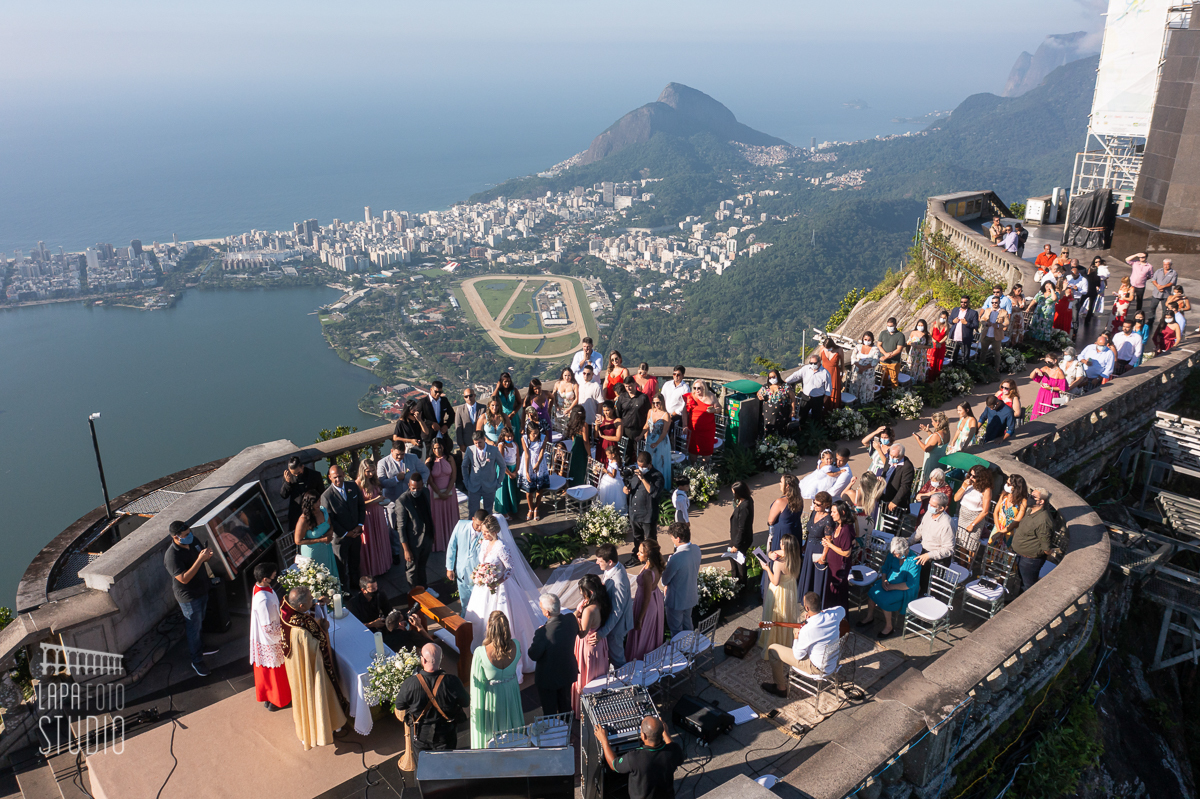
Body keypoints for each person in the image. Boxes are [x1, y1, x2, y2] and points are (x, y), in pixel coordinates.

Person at [463, 515, 544, 681]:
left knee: (507, 619)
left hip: (501, 589)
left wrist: (496, 580)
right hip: (483, 588)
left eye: (485, 532)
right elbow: (483, 563)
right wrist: (481, 574)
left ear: (494, 532)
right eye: (483, 532)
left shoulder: (501, 546)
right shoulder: (484, 542)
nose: (482, 534)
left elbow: (510, 568)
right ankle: (481, 650)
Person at [280, 586, 348, 749]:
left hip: (295, 666)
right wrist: (324, 629)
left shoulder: (286, 609)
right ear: (302, 606)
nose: (314, 600)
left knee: (301, 695)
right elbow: (320, 645)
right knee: (317, 693)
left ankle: (307, 729)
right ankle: (327, 727)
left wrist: (319, 606)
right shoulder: (304, 628)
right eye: (311, 599)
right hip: (311, 668)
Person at [761, 591, 847, 698]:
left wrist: (797, 637)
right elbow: (842, 609)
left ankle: (780, 688)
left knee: (773, 649)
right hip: (832, 662)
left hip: (816, 668)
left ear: (807, 608)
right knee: (800, 631)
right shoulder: (834, 615)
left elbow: (798, 655)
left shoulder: (807, 630)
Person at [394, 643, 470, 753]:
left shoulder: (410, 683)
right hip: (446, 735)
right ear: (441, 658)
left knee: (422, 766)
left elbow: (399, 705)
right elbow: (466, 702)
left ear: (423, 660)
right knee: (446, 764)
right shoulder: (452, 681)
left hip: (421, 734)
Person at [469, 611, 523, 749]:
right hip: (510, 694)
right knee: (512, 731)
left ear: (489, 628)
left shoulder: (480, 653)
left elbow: (477, 688)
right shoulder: (516, 645)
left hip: (491, 699)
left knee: (492, 733)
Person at [595, 716, 684, 799]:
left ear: (643, 736)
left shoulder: (634, 758)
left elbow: (613, 764)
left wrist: (604, 740)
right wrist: (666, 733)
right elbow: (672, 747)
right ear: (662, 732)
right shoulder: (673, 751)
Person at [348, 576, 433, 652]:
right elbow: (355, 627)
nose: (376, 590)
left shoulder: (380, 595)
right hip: (366, 631)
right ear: (363, 590)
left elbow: (389, 612)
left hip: (382, 626)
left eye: (376, 587)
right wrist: (372, 624)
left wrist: (398, 618)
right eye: (373, 589)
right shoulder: (354, 604)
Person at [529, 593, 579, 717]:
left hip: (548, 678)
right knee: (565, 706)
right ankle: (568, 730)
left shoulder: (542, 633)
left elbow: (533, 655)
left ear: (547, 612)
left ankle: (554, 733)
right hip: (567, 671)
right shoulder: (571, 620)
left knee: (550, 711)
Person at [858, 537, 920, 637]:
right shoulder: (893, 554)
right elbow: (885, 568)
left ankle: (889, 626)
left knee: (885, 600)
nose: (894, 555)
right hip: (889, 582)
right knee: (872, 592)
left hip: (903, 589)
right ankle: (869, 617)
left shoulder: (913, 562)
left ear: (904, 550)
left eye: (896, 554)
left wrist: (892, 587)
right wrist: (883, 580)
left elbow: (910, 584)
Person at [249, 562, 290, 711]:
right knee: (275, 675)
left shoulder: (258, 587)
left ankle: (269, 699)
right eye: (272, 576)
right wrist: (285, 634)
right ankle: (278, 701)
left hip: (264, 638)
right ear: (265, 579)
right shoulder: (264, 600)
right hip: (270, 641)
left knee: (267, 673)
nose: (275, 577)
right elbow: (269, 628)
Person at [321, 463, 365, 592]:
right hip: (341, 538)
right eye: (335, 477)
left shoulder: (352, 486)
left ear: (344, 475)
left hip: (356, 534)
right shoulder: (326, 496)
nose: (338, 480)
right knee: (341, 565)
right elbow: (330, 520)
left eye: (340, 476)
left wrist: (359, 525)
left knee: (355, 562)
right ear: (330, 477)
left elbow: (361, 507)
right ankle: (344, 590)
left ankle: (355, 585)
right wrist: (346, 533)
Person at [573, 573, 611, 715]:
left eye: (582, 590)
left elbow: (582, 633)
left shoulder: (589, 610)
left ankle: (583, 711)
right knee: (597, 675)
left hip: (587, 645)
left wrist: (575, 617)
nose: (580, 593)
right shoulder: (602, 601)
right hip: (599, 645)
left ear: (589, 592)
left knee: (586, 676)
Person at [592, 544, 634, 668]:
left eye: (600, 561)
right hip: (614, 622)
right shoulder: (615, 567)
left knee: (617, 658)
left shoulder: (618, 582)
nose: (596, 563)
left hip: (618, 626)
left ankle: (625, 683)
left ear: (610, 562)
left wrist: (602, 633)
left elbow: (617, 611)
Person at [760, 535, 801, 659]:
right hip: (790, 589)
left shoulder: (779, 563)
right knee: (787, 617)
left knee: (775, 616)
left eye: (782, 543)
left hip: (779, 592)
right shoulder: (796, 557)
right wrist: (771, 553)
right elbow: (777, 552)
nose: (780, 545)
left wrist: (767, 568)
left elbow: (775, 581)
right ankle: (786, 641)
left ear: (785, 546)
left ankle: (772, 643)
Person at [626, 539, 667, 662]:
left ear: (648, 554)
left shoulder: (648, 573)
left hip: (648, 605)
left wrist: (639, 618)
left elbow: (646, 598)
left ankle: (639, 661)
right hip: (657, 600)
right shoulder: (655, 566)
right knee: (652, 632)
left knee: (644, 633)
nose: (637, 554)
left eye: (640, 552)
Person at [764, 474, 804, 596]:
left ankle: (774, 584)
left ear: (787, 486)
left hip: (782, 534)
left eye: (781, 482)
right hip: (795, 532)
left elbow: (770, 521)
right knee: (791, 558)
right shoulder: (799, 500)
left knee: (777, 557)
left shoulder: (780, 502)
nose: (779, 484)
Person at [1010, 487, 1055, 596]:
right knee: (1020, 581)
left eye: (1033, 497)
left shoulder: (1043, 520)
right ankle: (1017, 602)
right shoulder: (1031, 510)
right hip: (1020, 555)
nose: (1029, 498)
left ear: (1041, 501)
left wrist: (1049, 552)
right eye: (1030, 494)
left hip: (1030, 560)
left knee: (1028, 585)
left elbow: (1046, 546)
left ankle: (1024, 607)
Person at [395, 473, 435, 590]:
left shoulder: (426, 492)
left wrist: (432, 534)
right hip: (413, 541)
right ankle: (414, 593)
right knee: (412, 569)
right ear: (409, 485)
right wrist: (406, 549)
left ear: (422, 485)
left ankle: (424, 587)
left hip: (427, 537)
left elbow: (428, 513)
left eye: (418, 488)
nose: (416, 491)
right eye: (413, 488)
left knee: (422, 565)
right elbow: (400, 527)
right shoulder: (402, 501)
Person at [354, 459, 392, 578]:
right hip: (367, 516)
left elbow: (377, 495)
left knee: (380, 537)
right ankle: (372, 569)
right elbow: (358, 504)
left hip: (378, 513)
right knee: (370, 540)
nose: (370, 474)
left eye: (372, 471)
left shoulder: (374, 480)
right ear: (362, 471)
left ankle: (383, 565)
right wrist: (376, 500)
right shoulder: (358, 483)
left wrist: (382, 498)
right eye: (368, 471)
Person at [624, 451, 664, 565]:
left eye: (643, 467)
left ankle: (654, 560)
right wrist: (625, 489)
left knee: (650, 540)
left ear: (650, 463)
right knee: (637, 538)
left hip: (648, 515)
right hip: (634, 513)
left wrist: (643, 478)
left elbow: (654, 493)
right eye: (639, 466)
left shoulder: (657, 476)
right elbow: (628, 485)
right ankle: (637, 557)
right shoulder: (634, 473)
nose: (640, 469)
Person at [909, 493, 954, 592]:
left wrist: (929, 555)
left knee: (932, 590)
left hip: (938, 559)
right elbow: (920, 531)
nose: (930, 507)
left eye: (933, 506)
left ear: (942, 508)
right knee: (920, 583)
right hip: (925, 553)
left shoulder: (946, 523)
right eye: (929, 504)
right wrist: (908, 542)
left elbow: (948, 549)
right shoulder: (929, 514)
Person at [661, 522, 701, 635]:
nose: (672, 540)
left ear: (678, 539)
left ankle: (680, 651)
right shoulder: (696, 549)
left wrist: (669, 562)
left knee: (676, 630)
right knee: (688, 624)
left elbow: (665, 580)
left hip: (676, 601)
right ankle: (690, 648)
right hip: (690, 596)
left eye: (672, 538)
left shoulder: (676, 558)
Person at [797, 492, 833, 606]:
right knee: (808, 574)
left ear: (826, 505)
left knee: (817, 577)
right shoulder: (813, 513)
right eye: (814, 503)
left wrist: (823, 557)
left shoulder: (828, 520)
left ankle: (816, 604)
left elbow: (828, 541)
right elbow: (809, 532)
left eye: (818, 504)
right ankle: (806, 600)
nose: (815, 506)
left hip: (819, 550)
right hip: (809, 548)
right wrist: (805, 545)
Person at [446, 511, 487, 606]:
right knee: (464, 601)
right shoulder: (460, 525)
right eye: (477, 525)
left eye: (482, 525)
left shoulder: (486, 534)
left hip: (477, 574)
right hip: (461, 572)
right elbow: (452, 546)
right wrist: (450, 568)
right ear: (473, 519)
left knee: (477, 603)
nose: (480, 528)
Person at [821, 500, 856, 609]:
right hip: (833, 565)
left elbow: (846, 552)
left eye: (834, 512)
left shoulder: (845, 529)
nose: (831, 514)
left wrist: (829, 545)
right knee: (831, 593)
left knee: (837, 595)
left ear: (843, 512)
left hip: (840, 567)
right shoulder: (838, 525)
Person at [295, 493, 338, 576]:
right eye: (315, 502)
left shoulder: (323, 511)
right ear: (309, 504)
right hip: (312, 553)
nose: (318, 504)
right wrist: (321, 540)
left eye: (319, 501)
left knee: (329, 574)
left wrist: (329, 534)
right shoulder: (303, 520)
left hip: (326, 549)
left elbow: (330, 525)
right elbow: (298, 541)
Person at [462, 431, 502, 515]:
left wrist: (498, 482)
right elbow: (464, 466)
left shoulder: (494, 450)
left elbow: (502, 466)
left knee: (488, 511)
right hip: (473, 485)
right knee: (473, 512)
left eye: (480, 442)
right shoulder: (470, 450)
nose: (478, 445)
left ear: (484, 439)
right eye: (475, 443)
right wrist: (466, 481)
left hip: (489, 485)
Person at [280, 456, 325, 531]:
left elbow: (321, 493)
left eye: (298, 473)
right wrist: (287, 483)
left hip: (312, 512)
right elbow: (283, 495)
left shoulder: (314, 475)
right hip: (296, 514)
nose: (297, 475)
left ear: (302, 467)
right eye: (294, 474)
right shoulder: (288, 477)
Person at [519, 421, 552, 521]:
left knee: (539, 488)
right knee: (528, 490)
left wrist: (537, 464)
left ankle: (537, 508)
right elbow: (527, 454)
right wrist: (527, 471)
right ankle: (530, 509)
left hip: (539, 463)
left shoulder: (543, 438)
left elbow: (542, 452)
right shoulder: (524, 439)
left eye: (537, 432)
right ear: (528, 433)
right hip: (527, 463)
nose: (536, 435)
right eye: (534, 433)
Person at [955, 464, 993, 542]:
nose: (971, 478)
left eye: (974, 476)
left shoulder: (986, 490)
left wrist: (973, 524)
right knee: (961, 542)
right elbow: (956, 498)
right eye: (970, 475)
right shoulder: (968, 484)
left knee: (971, 544)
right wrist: (963, 487)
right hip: (963, 517)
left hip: (975, 519)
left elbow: (985, 511)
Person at [616, 376, 650, 464]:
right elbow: (618, 414)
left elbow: (649, 415)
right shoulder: (622, 397)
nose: (628, 388)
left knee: (640, 455)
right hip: (625, 430)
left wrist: (645, 432)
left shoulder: (643, 397)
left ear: (635, 384)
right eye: (626, 386)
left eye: (630, 386)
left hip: (638, 431)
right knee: (625, 455)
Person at [728, 481, 754, 589]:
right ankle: (736, 579)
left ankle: (741, 583)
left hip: (741, 539)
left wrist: (736, 545)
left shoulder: (745, 507)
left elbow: (742, 528)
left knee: (739, 562)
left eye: (734, 492)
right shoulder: (745, 501)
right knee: (733, 558)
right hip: (737, 537)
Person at [991, 473, 1030, 546]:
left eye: (1009, 484)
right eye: (1006, 483)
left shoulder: (1023, 501)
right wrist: (998, 530)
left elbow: (1017, 521)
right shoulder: (1004, 495)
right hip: (997, 527)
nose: (1006, 485)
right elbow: (995, 512)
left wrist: (1001, 532)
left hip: (1010, 533)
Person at [788, 356, 830, 424]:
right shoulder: (805, 369)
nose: (813, 365)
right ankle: (801, 430)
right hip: (805, 397)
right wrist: (785, 381)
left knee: (816, 418)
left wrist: (822, 402)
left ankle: (814, 432)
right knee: (802, 416)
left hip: (818, 398)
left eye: (815, 363)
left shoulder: (825, 373)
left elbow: (828, 390)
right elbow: (796, 375)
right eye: (811, 363)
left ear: (819, 362)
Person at [416, 381, 455, 449]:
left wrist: (446, 425)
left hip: (442, 435)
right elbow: (418, 417)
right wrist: (430, 423)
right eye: (436, 392)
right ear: (431, 389)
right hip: (428, 436)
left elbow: (452, 414)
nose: (437, 394)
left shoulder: (444, 401)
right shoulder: (422, 402)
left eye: (440, 392)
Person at [643, 395, 672, 487]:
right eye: (654, 403)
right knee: (649, 461)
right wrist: (641, 434)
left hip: (661, 442)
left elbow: (664, 432)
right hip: (650, 440)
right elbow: (647, 425)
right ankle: (649, 484)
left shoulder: (666, 415)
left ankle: (661, 486)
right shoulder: (650, 411)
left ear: (662, 402)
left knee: (660, 463)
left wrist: (656, 443)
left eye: (658, 403)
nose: (656, 405)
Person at [684, 380, 717, 460]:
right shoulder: (691, 397)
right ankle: (693, 471)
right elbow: (684, 411)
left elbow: (719, 407)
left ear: (704, 388)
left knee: (706, 454)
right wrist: (684, 425)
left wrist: (714, 410)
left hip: (707, 431)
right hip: (693, 431)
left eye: (699, 388)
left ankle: (704, 471)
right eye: (694, 388)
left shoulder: (711, 396)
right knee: (692, 453)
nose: (696, 390)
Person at [880, 444, 915, 518]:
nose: (892, 458)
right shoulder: (889, 460)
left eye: (895, 457)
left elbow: (905, 486)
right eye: (891, 455)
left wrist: (895, 501)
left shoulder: (907, 467)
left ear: (902, 456)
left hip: (895, 502)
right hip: (884, 498)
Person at [1030, 352, 1069, 418]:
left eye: (1049, 361)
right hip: (1042, 393)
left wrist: (1051, 388)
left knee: (1050, 414)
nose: (1047, 363)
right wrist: (1035, 370)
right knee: (1038, 411)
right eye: (1046, 362)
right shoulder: (1045, 368)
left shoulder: (1059, 372)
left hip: (1053, 395)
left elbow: (1063, 388)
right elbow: (1031, 377)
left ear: (1055, 360)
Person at [914, 412, 949, 480]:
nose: (932, 423)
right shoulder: (946, 431)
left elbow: (926, 449)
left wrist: (918, 439)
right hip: (940, 461)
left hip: (932, 463)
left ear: (937, 422)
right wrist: (928, 431)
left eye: (932, 421)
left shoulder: (936, 435)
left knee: (928, 480)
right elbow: (936, 442)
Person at [495, 427, 521, 520]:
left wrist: (516, 471)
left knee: (512, 490)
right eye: (507, 437)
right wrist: (509, 473)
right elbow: (501, 462)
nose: (510, 438)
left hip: (513, 469)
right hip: (505, 471)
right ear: (503, 436)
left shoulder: (515, 444)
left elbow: (517, 458)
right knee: (504, 491)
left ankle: (512, 507)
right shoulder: (501, 445)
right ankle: (504, 511)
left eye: (511, 436)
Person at [563, 406, 591, 487]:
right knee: (582, 470)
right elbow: (586, 441)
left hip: (574, 449)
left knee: (574, 469)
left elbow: (572, 438)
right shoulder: (584, 425)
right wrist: (589, 454)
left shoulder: (572, 423)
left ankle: (573, 489)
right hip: (582, 450)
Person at [761, 367, 795, 432]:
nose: (772, 379)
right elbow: (759, 393)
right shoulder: (766, 386)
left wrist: (793, 411)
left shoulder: (785, 386)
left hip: (782, 415)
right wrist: (760, 396)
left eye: (773, 377)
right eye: (770, 377)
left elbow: (793, 398)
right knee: (768, 433)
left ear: (778, 376)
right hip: (768, 416)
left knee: (781, 432)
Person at [979, 296, 1009, 371]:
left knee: (997, 353)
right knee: (983, 352)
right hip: (986, 335)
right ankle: (981, 367)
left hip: (996, 336)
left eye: (996, 302)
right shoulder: (988, 310)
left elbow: (1007, 323)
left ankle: (997, 368)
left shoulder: (1004, 312)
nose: (994, 304)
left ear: (999, 302)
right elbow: (982, 319)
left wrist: (998, 325)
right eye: (992, 303)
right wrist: (986, 323)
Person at [454, 387, 485, 456]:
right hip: (466, 444)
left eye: (470, 395)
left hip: (481, 443)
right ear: (464, 398)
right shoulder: (460, 410)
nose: (468, 398)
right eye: (466, 396)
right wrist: (461, 444)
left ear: (474, 395)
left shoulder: (483, 408)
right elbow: (458, 427)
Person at [877, 316, 907, 388]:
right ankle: (884, 394)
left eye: (891, 326)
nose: (889, 327)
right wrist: (885, 354)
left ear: (895, 324)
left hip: (894, 362)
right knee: (883, 379)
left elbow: (899, 349)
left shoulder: (900, 335)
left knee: (894, 380)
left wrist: (887, 356)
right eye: (888, 326)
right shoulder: (883, 333)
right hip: (883, 361)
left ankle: (895, 395)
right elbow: (879, 345)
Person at [1148, 258, 1178, 327]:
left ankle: (1162, 323)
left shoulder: (1173, 273)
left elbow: (1172, 283)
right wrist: (1158, 286)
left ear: (1170, 265)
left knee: (1165, 310)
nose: (1165, 266)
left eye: (1167, 265)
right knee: (1152, 307)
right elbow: (1153, 280)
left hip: (1165, 295)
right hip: (1156, 294)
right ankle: (1150, 321)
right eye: (1164, 264)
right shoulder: (1158, 271)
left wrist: (1163, 286)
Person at [949, 295, 979, 365]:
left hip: (965, 338)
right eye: (962, 302)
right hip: (955, 337)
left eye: (965, 302)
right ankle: (953, 372)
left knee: (965, 357)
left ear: (968, 303)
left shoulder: (973, 313)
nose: (963, 303)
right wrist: (953, 321)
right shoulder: (955, 310)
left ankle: (965, 372)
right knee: (953, 356)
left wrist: (966, 323)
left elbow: (976, 325)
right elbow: (949, 320)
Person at [850, 331, 881, 399]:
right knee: (855, 389)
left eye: (869, 340)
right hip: (857, 373)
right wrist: (859, 367)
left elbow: (875, 361)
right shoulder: (858, 347)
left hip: (868, 374)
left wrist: (863, 368)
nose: (867, 341)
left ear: (872, 340)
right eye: (865, 339)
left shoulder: (875, 349)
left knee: (866, 391)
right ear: (863, 339)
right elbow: (853, 358)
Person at [596, 400, 624, 468]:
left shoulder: (618, 421)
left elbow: (618, 438)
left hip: (611, 447)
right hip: (601, 446)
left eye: (608, 410)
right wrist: (596, 426)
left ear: (613, 409)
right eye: (604, 410)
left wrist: (603, 436)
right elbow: (595, 436)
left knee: (610, 468)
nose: (605, 413)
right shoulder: (601, 419)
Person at [906, 319, 931, 383]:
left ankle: (919, 382)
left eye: (921, 325)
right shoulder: (913, 332)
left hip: (921, 354)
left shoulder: (927, 335)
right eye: (919, 325)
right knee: (912, 367)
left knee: (920, 368)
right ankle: (911, 381)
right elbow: (908, 342)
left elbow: (930, 345)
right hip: (913, 353)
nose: (920, 326)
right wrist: (912, 344)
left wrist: (922, 346)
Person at [928, 311, 949, 382]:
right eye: (941, 317)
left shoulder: (947, 326)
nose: (943, 319)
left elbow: (946, 335)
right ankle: (930, 378)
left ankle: (936, 378)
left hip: (941, 345)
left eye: (944, 318)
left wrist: (940, 342)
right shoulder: (933, 324)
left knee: (939, 361)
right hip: (933, 344)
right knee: (932, 361)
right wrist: (936, 342)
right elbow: (930, 335)